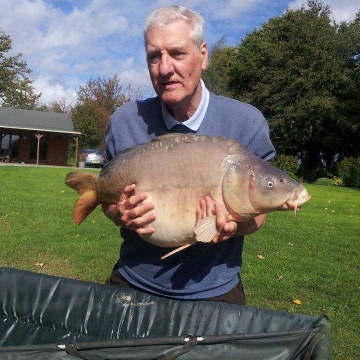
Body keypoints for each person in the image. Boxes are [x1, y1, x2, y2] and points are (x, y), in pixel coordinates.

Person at [103, 5, 275, 305]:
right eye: (154, 56)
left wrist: (235, 227)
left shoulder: (246, 123)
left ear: (203, 55)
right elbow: (108, 199)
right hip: (133, 280)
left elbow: (258, 214)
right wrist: (118, 214)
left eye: (177, 53)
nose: (165, 67)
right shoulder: (125, 121)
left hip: (215, 290)